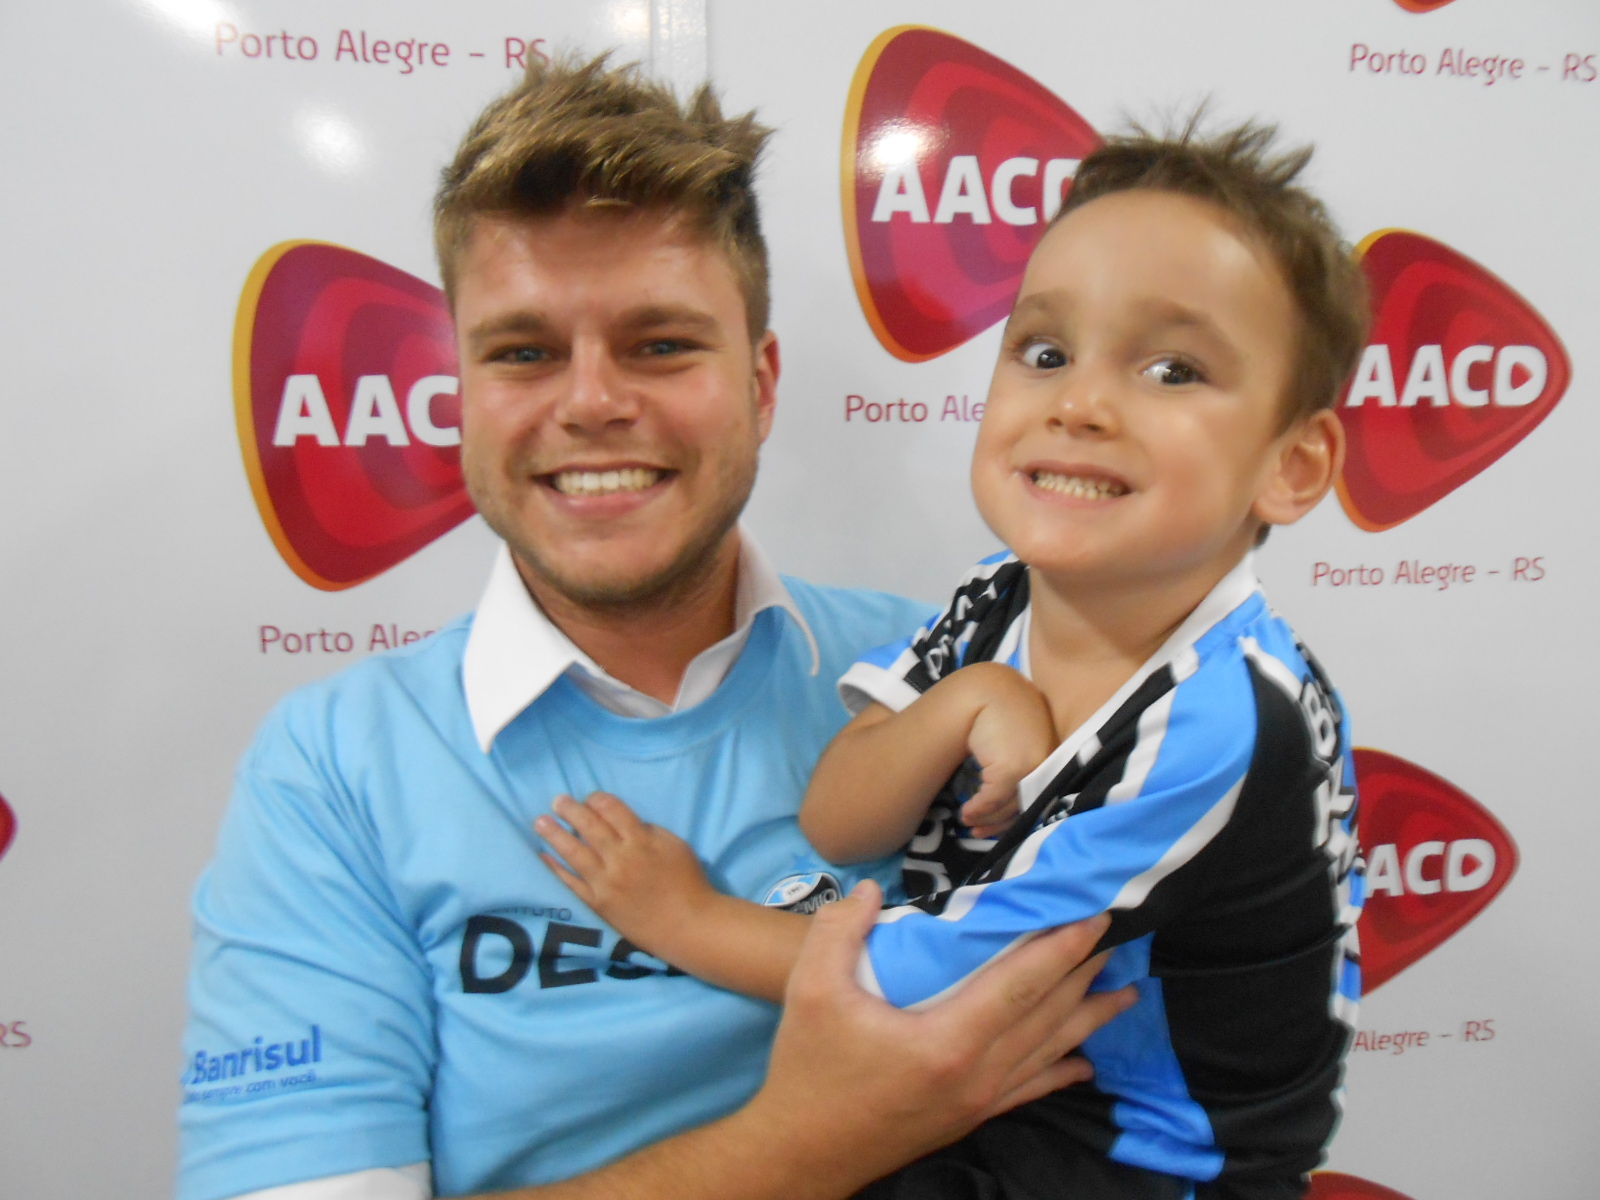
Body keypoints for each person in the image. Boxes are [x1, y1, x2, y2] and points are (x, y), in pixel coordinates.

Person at [176, 54, 1133, 1200]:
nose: (590, 401)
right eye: (524, 352)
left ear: (762, 385)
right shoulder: (333, 771)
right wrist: (824, 1136)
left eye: (661, 345)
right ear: (463, 397)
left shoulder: (958, 676)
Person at [541, 122, 1369, 1199]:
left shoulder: (1220, 717)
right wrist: (966, 698)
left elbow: (935, 992)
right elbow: (840, 819)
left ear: (1293, 465)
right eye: (1043, 351)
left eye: (1173, 369)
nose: (1078, 402)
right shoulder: (998, 595)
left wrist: (682, 918)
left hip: (1144, 1162)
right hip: (1002, 1100)